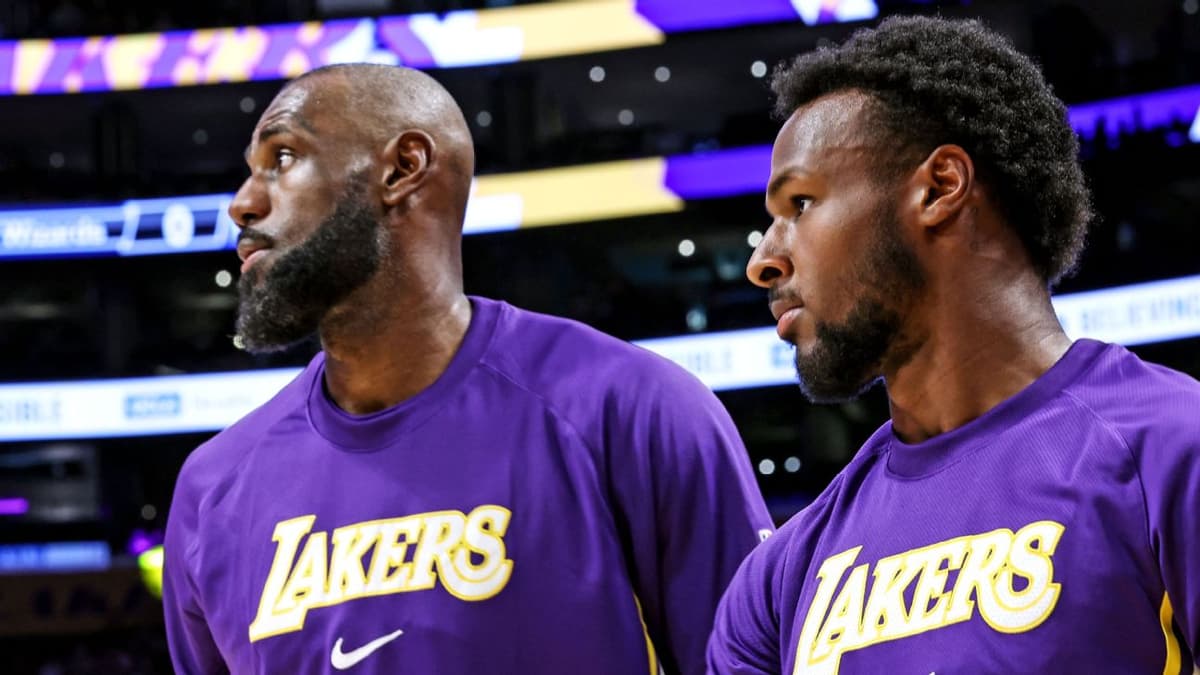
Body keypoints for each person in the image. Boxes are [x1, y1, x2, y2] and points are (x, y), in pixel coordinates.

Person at [162, 63, 773, 675]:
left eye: (284, 156)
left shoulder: (632, 410)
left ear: (402, 169)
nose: (243, 202)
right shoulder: (211, 488)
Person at [707, 15, 1200, 675]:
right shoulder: (777, 582)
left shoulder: (1173, 450)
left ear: (940, 187)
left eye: (799, 205)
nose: (763, 261)